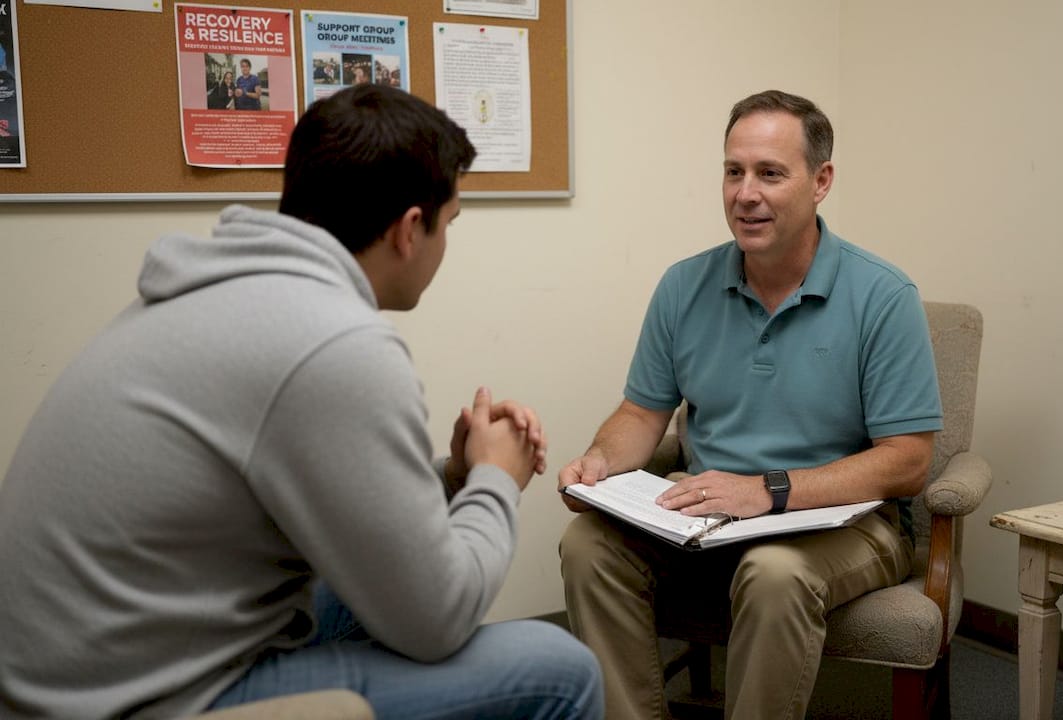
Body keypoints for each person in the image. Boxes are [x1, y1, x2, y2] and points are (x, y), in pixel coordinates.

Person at [0, 84, 603, 720]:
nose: (446, 245)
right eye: (449, 224)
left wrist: (451, 477)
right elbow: (440, 619)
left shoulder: (224, 287)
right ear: (408, 231)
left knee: (362, 590)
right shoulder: (335, 344)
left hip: (67, 670)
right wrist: (494, 480)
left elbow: (346, 517)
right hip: (127, 702)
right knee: (560, 670)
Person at [557, 89, 942, 720]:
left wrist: (772, 489)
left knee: (774, 572)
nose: (745, 193)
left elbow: (907, 463)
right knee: (587, 545)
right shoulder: (684, 285)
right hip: (705, 515)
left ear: (821, 182)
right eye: (733, 171)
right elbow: (641, 415)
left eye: (769, 173)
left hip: (843, 524)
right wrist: (599, 462)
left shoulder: (883, 295)